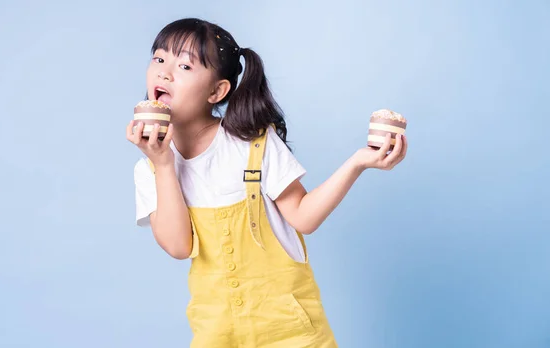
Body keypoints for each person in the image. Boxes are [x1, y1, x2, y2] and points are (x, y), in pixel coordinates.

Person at [126, 18, 407, 348]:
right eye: (159, 59)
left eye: (185, 65)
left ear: (217, 91)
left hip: (291, 333)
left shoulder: (251, 142)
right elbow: (178, 247)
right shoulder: (150, 169)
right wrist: (163, 164)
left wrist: (358, 162)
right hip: (217, 334)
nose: (164, 72)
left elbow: (304, 217)